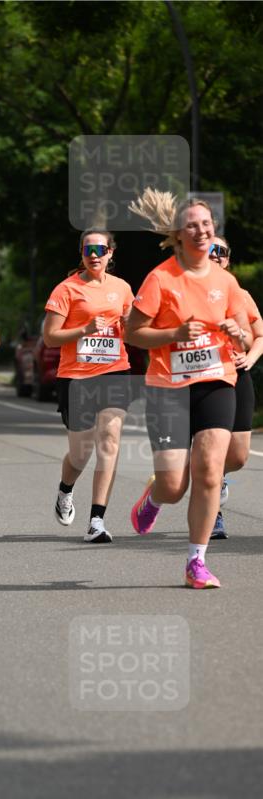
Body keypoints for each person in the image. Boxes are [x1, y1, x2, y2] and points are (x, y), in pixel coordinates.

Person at [126, 190, 251, 588]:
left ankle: (196, 562)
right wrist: (174, 333)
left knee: (210, 470)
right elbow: (134, 333)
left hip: (217, 380)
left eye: (207, 224)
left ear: (214, 231)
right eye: (192, 225)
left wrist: (239, 331)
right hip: (168, 388)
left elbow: (247, 335)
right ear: (178, 234)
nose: (201, 231)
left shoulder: (225, 281)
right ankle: (155, 496)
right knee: (175, 485)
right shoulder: (161, 278)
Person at [43, 231, 134, 542]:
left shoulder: (122, 288)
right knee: (80, 453)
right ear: (81, 253)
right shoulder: (67, 289)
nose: (94, 254)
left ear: (111, 253)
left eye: (100, 249)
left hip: (115, 371)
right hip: (77, 376)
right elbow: (50, 337)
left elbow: (134, 330)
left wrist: (129, 325)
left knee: (109, 441)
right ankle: (65, 490)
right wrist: (84, 329)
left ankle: (97, 520)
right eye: (88, 249)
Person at [207, 237, 263, 539]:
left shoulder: (239, 294)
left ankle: (218, 476)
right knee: (212, 450)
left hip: (237, 373)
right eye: (209, 250)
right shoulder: (189, 288)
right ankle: (213, 513)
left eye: (221, 252)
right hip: (204, 377)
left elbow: (260, 334)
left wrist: (250, 359)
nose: (215, 255)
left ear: (227, 260)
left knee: (238, 455)